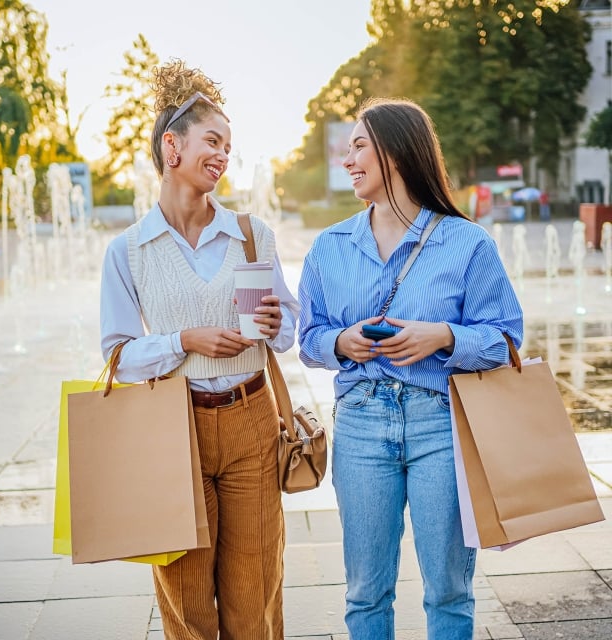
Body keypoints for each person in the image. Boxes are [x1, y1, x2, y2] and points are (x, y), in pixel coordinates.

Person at [297, 98, 523, 640]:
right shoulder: (329, 248)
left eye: (358, 146)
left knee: (449, 589)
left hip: (441, 424)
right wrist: (342, 342)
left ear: (397, 151)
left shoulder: (467, 242)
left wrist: (443, 336)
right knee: (365, 593)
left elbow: (507, 338)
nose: (347, 160)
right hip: (360, 425)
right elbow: (309, 341)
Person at [100, 59, 299, 640]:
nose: (223, 154)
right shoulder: (129, 250)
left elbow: (286, 330)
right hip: (171, 426)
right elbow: (116, 354)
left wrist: (272, 320)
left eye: (229, 146)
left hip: (251, 421)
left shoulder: (249, 232)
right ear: (172, 147)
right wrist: (183, 342)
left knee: (254, 585)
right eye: (212, 140)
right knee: (185, 595)